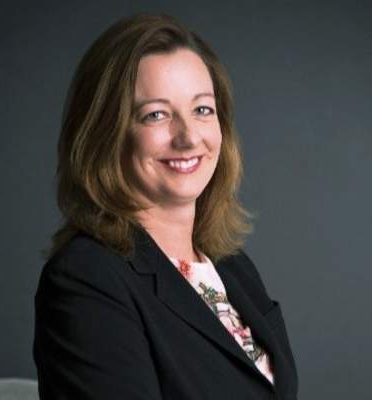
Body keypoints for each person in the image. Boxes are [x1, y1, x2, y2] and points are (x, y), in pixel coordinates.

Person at [33, 13, 299, 400]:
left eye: (203, 109)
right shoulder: (86, 280)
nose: (189, 137)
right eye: (156, 114)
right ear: (106, 133)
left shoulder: (231, 267)